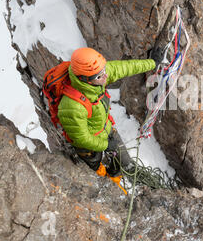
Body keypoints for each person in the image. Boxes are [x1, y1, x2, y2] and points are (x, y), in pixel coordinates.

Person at [57, 47, 164, 183]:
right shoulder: (71, 106)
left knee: (124, 161)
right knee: (96, 169)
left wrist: (152, 63)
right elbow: (81, 139)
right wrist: (105, 145)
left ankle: (117, 176)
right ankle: (106, 181)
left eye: (104, 71)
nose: (106, 76)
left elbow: (126, 67)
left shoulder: (98, 75)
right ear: (85, 79)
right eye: (100, 75)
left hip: (107, 130)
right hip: (89, 146)